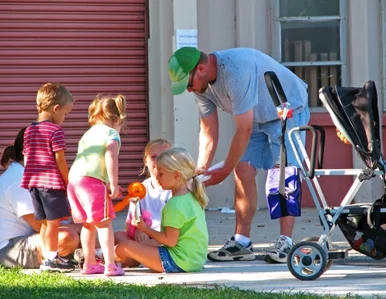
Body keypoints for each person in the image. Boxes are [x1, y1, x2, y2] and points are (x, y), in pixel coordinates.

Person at [168, 47, 310, 263]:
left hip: (287, 111)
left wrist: (224, 170)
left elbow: (243, 129)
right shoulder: (201, 88)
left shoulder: (235, 71)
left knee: (282, 173)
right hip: (255, 118)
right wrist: (201, 169)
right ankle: (242, 242)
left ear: (201, 68)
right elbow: (208, 130)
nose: (188, 90)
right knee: (242, 169)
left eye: (187, 84)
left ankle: (286, 243)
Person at [115, 147, 209, 273]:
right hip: (194, 260)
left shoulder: (175, 204)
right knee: (143, 247)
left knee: (125, 246)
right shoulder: (192, 197)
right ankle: (115, 262)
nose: (157, 177)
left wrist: (144, 228)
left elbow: (169, 241)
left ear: (176, 175)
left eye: (161, 174)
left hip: (177, 261)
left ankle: (99, 257)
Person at [0, 128, 79, 269]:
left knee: (84, 233)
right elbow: (39, 225)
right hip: (8, 249)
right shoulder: (18, 179)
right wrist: (79, 228)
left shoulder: (31, 175)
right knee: (68, 237)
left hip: (29, 239)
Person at [67, 94, 126, 276]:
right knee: (104, 224)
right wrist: (114, 183)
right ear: (118, 118)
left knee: (88, 224)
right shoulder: (111, 133)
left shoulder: (88, 134)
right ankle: (110, 264)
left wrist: (106, 183)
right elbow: (110, 156)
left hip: (74, 181)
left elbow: (92, 160)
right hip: (91, 182)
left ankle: (90, 264)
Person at [21, 82, 75, 272]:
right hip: (50, 184)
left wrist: (29, 181)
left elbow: (27, 159)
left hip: (34, 184)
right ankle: (52, 258)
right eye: (65, 114)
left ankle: (46, 257)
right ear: (56, 108)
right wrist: (68, 181)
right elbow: (60, 159)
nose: (65, 118)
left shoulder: (28, 130)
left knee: (44, 223)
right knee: (54, 223)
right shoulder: (55, 131)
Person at [114, 139, 173, 267]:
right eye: (153, 157)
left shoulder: (176, 189)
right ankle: (131, 257)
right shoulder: (140, 189)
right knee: (118, 236)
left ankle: (106, 257)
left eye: (163, 157)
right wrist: (138, 230)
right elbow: (130, 223)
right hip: (144, 238)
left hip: (165, 239)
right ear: (145, 160)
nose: (158, 162)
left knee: (128, 247)